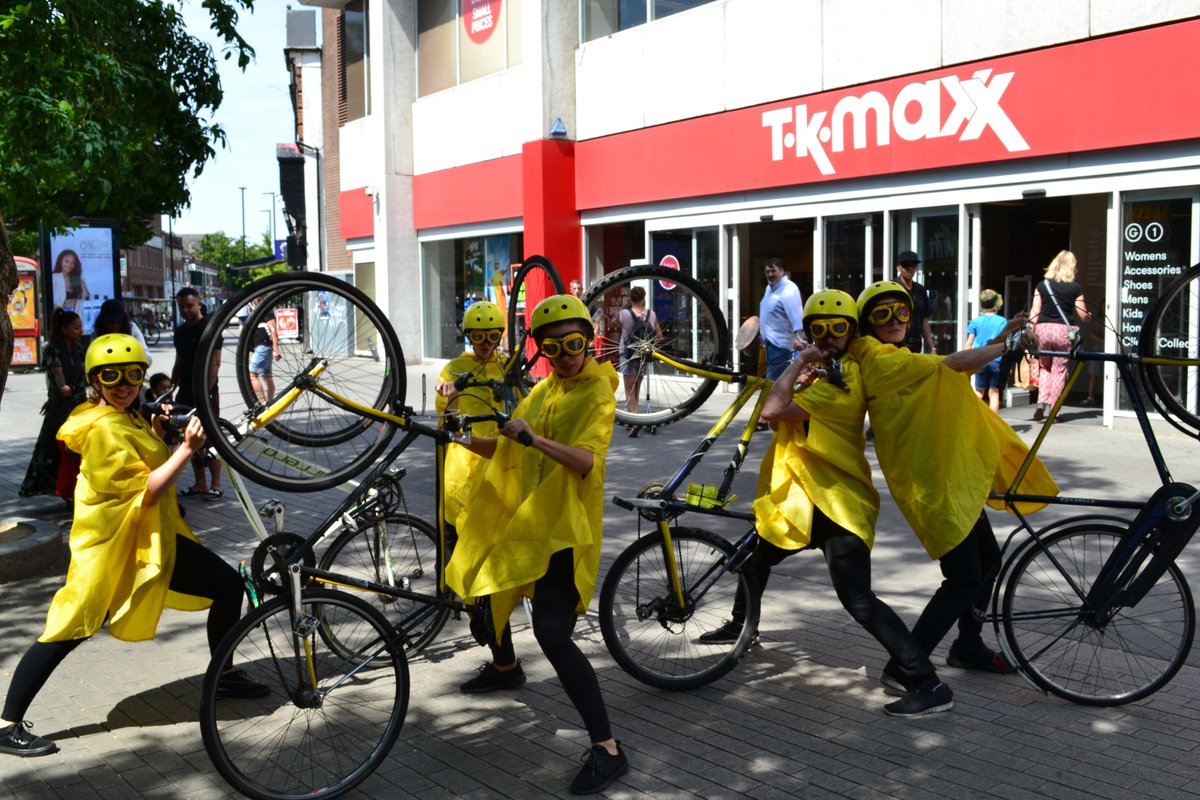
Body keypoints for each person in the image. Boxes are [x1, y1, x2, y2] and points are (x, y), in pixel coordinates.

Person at [0, 334, 265, 759]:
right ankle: (6, 725)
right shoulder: (105, 428)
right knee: (71, 626)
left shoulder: (121, 415)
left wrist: (159, 432)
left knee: (227, 586)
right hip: (113, 549)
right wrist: (188, 448)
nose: (124, 385)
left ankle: (225, 676)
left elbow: (147, 460)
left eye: (133, 374)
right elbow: (151, 487)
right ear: (95, 381)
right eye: (112, 376)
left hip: (149, 540)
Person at [701, 290, 953, 717]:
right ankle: (742, 627)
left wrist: (799, 361)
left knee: (858, 600)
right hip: (806, 502)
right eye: (820, 330)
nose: (829, 337)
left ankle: (928, 683)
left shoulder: (844, 381)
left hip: (838, 506)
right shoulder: (825, 374)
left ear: (851, 331)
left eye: (838, 329)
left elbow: (772, 411)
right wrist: (804, 372)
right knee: (754, 561)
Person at [446, 294, 628, 794]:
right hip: (531, 526)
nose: (566, 355)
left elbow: (586, 461)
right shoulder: (546, 390)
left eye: (574, 343)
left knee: (551, 634)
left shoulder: (599, 392)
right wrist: (457, 438)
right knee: (485, 593)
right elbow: (508, 445)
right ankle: (505, 667)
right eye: (553, 347)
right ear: (542, 351)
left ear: (589, 340)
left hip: (565, 531)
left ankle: (608, 749)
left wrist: (533, 439)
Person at [851, 281, 1059, 694]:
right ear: (866, 323)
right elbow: (953, 364)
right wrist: (1006, 345)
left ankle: (967, 646)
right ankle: (905, 666)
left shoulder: (897, 357)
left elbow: (948, 369)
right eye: (881, 314)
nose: (894, 321)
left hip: (950, 479)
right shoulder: (878, 358)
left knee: (989, 562)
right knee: (963, 578)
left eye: (901, 312)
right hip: (933, 486)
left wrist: (999, 339)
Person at [435, 300, 508, 548]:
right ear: (468, 336)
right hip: (464, 465)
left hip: (498, 465)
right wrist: (451, 396)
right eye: (478, 337)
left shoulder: (505, 366)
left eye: (492, 336)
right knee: (458, 542)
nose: (485, 343)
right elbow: (447, 422)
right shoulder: (454, 369)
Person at [19, 309, 87, 501]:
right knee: (53, 447)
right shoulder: (52, 348)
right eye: (76, 328)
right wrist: (64, 387)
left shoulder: (78, 348)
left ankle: (75, 488)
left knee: (77, 448)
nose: (80, 331)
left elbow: (84, 373)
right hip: (60, 406)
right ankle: (56, 488)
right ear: (64, 329)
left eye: (80, 327)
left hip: (78, 405)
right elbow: (58, 374)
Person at [171, 287, 223, 500]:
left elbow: (215, 362)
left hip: (206, 393)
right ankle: (200, 483)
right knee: (189, 438)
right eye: (182, 306)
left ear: (199, 304)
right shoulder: (180, 332)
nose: (186, 310)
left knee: (209, 439)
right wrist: (171, 386)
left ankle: (216, 484)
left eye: (190, 306)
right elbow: (179, 361)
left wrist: (206, 392)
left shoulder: (209, 328)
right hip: (184, 392)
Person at [1029, 249, 1092, 422]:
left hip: (1043, 330)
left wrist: (1031, 331)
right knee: (1059, 371)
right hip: (1063, 332)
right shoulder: (1075, 288)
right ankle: (1054, 410)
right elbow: (1082, 314)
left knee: (1045, 368)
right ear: (1072, 267)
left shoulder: (1042, 285)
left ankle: (1041, 403)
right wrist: (1089, 316)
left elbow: (1035, 311)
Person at [617, 285, 661, 431]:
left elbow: (612, 323)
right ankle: (633, 417)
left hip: (627, 355)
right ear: (643, 298)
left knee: (629, 390)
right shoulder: (651, 315)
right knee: (636, 389)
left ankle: (633, 420)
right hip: (643, 356)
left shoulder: (624, 313)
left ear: (630, 298)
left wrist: (624, 306)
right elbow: (660, 336)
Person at [758, 257, 805, 380]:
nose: (770, 274)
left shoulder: (789, 289)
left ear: (782, 271)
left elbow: (797, 317)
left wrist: (799, 337)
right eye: (767, 272)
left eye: (773, 271)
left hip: (781, 347)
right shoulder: (769, 288)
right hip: (769, 344)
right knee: (772, 382)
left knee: (774, 384)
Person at [964, 289, 1008, 413]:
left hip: (980, 360)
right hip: (996, 360)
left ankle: (973, 416)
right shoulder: (1002, 321)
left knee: (979, 391)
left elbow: (969, 343)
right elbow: (1007, 342)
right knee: (994, 392)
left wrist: (967, 361)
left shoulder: (976, 322)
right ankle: (992, 420)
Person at [893, 250, 935, 354]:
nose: (909, 268)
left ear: (916, 268)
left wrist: (932, 347)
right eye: (905, 265)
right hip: (896, 345)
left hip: (916, 344)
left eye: (913, 265)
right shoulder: (892, 288)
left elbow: (924, 319)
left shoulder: (921, 290)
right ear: (898, 267)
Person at [93, 299, 151, 366]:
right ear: (102, 322)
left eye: (118, 322)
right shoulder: (96, 335)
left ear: (123, 320)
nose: (115, 325)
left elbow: (146, 355)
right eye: (110, 322)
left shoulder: (132, 329)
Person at [245, 296, 280, 405]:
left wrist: (276, 348)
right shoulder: (253, 310)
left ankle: (263, 402)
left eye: (260, 297)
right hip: (261, 346)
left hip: (263, 346)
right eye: (255, 297)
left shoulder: (266, 309)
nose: (257, 299)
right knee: (267, 376)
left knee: (252, 375)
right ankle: (270, 403)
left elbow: (273, 329)